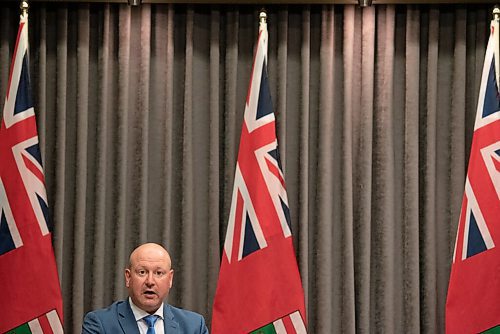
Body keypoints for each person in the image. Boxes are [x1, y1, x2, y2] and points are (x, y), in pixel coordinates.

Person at [82, 243, 209, 334]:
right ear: (128, 277)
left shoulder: (194, 326)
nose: (150, 281)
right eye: (142, 272)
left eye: (159, 273)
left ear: (170, 279)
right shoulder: (100, 324)